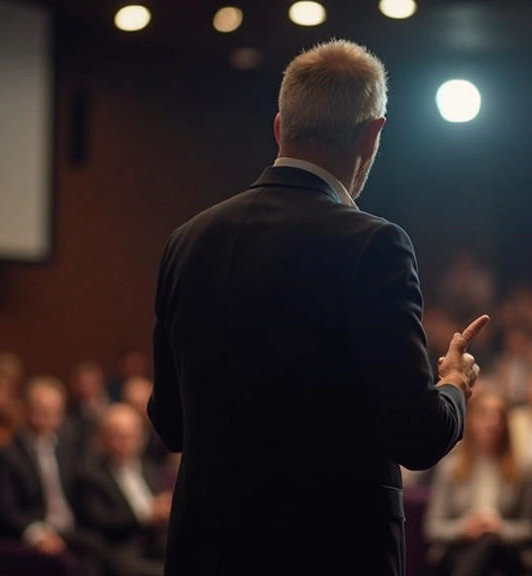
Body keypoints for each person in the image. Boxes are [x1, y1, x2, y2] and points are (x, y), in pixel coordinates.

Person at [148, 39, 488, 576]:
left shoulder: (188, 240)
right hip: (329, 552)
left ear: (280, 128)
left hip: (204, 553)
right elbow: (418, 437)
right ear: (372, 134)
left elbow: (170, 425)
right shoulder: (375, 245)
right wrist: (453, 385)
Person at [0, 376, 107, 576]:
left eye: (54, 409)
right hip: (39, 530)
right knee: (91, 554)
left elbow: (82, 486)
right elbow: (5, 509)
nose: (46, 414)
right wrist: (37, 534)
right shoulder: (7, 454)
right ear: (24, 408)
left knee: (103, 543)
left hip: (71, 528)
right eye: (40, 407)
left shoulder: (67, 445)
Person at [424, 392, 532, 576]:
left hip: (505, 549)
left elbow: (530, 529)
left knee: (489, 542)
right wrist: (465, 527)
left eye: (499, 415)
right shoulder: (450, 468)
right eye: (485, 413)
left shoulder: (523, 469)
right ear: (472, 419)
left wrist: (499, 527)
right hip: (459, 548)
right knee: (479, 550)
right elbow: (432, 527)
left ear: (506, 424)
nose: (492, 422)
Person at [75, 404, 171, 576]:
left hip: (158, 545)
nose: (124, 444)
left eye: (130, 437)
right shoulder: (90, 475)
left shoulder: (149, 469)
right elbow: (98, 521)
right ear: (102, 439)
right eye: (117, 437)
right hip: (120, 551)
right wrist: (145, 514)